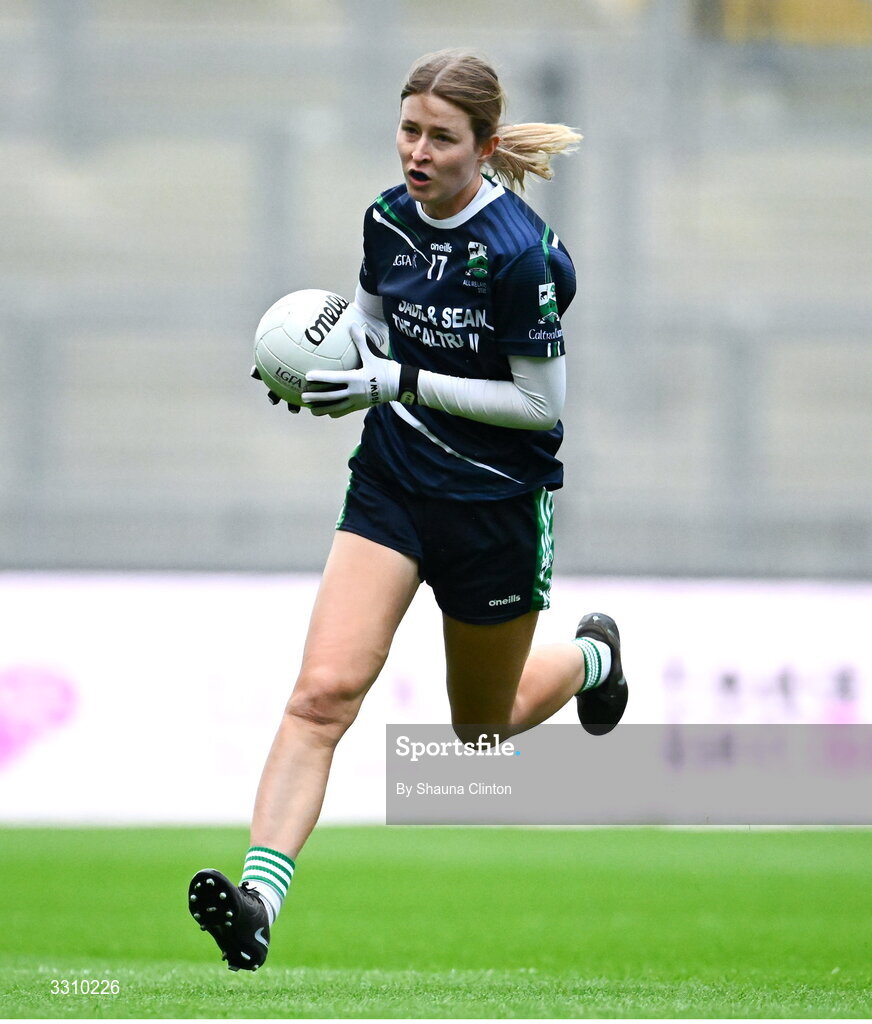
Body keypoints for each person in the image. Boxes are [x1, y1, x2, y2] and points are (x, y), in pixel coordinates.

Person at [188, 48, 628, 972]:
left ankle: (593, 659)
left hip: (494, 506)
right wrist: (322, 377)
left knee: (479, 730)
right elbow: (370, 330)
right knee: (321, 696)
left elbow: (543, 408)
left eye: (440, 137)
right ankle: (260, 903)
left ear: (486, 146)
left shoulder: (521, 256)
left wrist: (396, 379)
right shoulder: (386, 219)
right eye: (408, 129)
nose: (416, 152)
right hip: (392, 487)